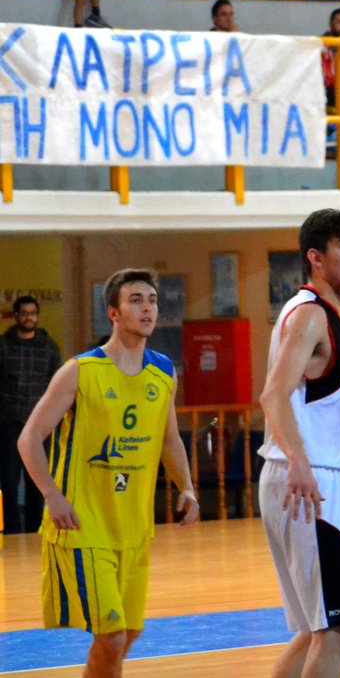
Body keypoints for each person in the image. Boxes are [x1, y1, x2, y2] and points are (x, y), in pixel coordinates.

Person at [17, 270, 199, 675]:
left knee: (128, 633)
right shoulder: (80, 371)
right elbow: (28, 438)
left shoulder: (163, 372)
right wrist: (52, 495)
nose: (147, 308)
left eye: (152, 299)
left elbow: (169, 438)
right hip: (83, 526)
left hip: (133, 529)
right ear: (113, 313)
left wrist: (186, 486)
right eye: (136, 300)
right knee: (112, 635)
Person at [257, 209, 340, 678]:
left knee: (314, 630)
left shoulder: (312, 312)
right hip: (307, 480)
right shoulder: (310, 315)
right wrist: (299, 461)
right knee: (337, 629)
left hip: (300, 474)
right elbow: (273, 395)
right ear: (316, 258)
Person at [1, 296, 63, 534]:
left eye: (33, 313)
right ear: (16, 316)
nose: (29, 317)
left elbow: (57, 385)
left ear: (38, 316)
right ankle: (12, 531)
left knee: (37, 480)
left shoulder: (49, 347)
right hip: (9, 422)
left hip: (40, 424)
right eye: (24, 313)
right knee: (8, 481)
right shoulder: (3, 345)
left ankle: (35, 531)